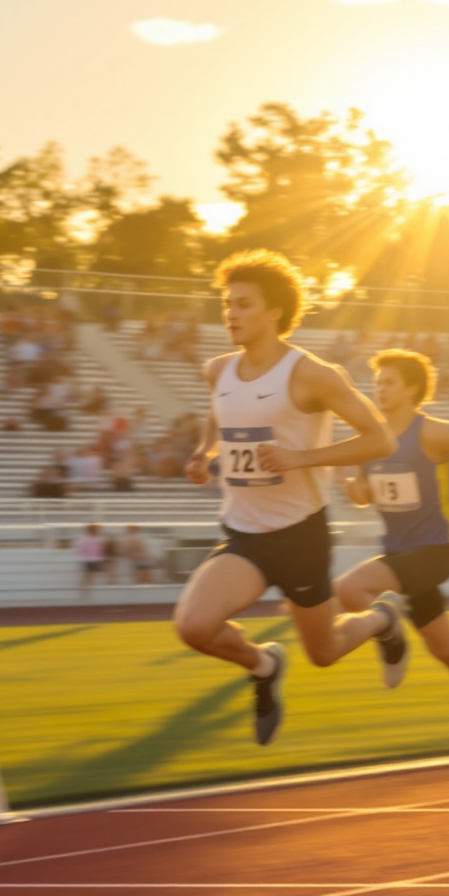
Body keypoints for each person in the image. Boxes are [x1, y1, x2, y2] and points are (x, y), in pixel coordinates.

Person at [173, 250, 402, 746]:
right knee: (193, 626)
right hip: (244, 537)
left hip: (300, 536)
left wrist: (303, 458)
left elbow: (380, 439)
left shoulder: (313, 375)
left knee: (324, 652)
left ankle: (383, 618)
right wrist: (202, 452)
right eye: (227, 304)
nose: (231, 314)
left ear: (275, 311)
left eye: (244, 304)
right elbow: (218, 415)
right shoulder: (218, 370)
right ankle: (263, 664)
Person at [332, 348, 449, 765]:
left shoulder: (431, 433)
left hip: (437, 552)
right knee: (446, 650)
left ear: (412, 390)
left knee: (350, 589)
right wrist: (354, 490)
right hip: (400, 555)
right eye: (377, 382)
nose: (379, 390)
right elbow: (369, 498)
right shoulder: (372, 440)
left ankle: (390, 637)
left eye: (388, 383)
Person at [75, 522, 110, 600]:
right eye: (96, 530)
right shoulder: (84, 539)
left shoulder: (98, 539)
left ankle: (85, 588)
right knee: (88, 575)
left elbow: (102, 549)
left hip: (95, 559)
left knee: (91, 576)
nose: (98, 531)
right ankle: (83, 589)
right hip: (88, 560)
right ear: (91, 530)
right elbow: (81, 549)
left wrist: (101, 557)